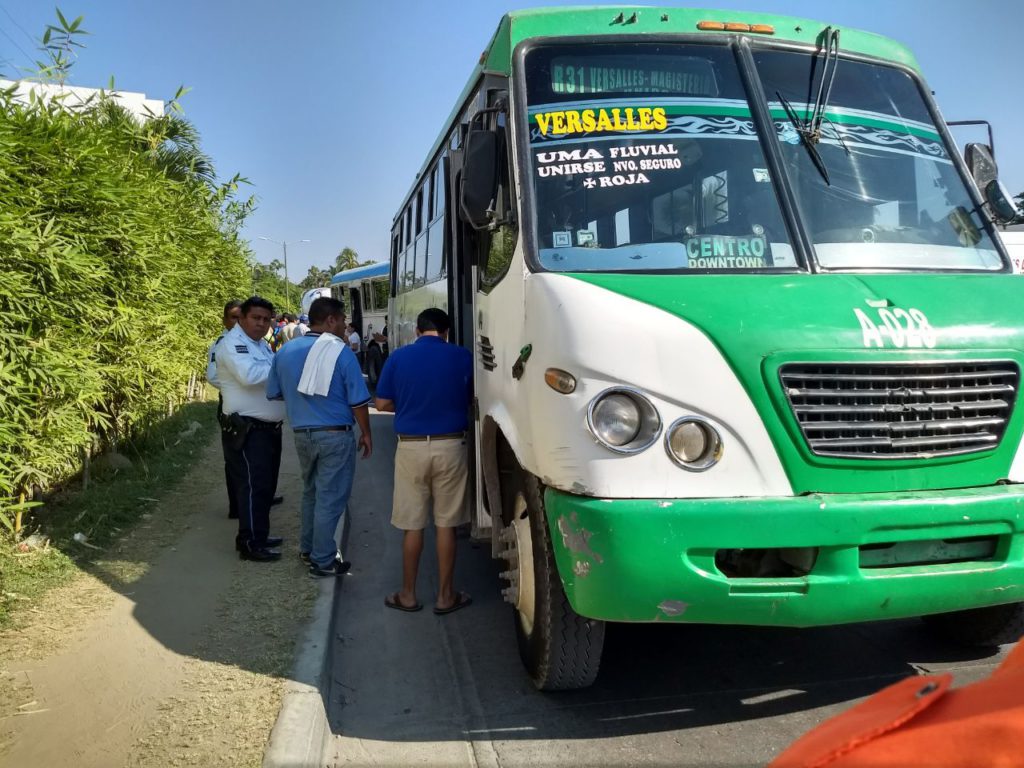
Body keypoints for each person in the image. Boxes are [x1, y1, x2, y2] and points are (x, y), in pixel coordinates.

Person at [375, 307, 473, 614]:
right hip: (452, 446)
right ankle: (445, 597)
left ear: (417, 331)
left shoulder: (398, 357)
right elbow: (473, 398)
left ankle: (408, 595)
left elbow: (382, 403)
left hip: (411, 448)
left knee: (413, 525)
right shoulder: (463, 356)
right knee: (446, 524)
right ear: (446, 332)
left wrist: (409, 408)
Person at [267, 297, 373, 577]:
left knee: (311, 492)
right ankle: (323, 560)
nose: (344, 326)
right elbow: (358, 401)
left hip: (302, 434)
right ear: (330, 320)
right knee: (331, 496)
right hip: (335, 435)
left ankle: (308, 549)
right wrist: (366, 433)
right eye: (342, 320)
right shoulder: (340, 351)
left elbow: (274, 393)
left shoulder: (285, 352)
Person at [216, 296, 287, 561]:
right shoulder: (232, 343)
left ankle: (259, 534)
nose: (261, 323)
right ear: (243, 318)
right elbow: (249, 376)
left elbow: (269, 373)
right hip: (249, 430)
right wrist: (282, 367)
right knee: (252, 486)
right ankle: (250, 543)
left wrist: (277, 367)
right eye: (256, 318)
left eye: (266, 319)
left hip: (268, 429)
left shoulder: (260, 345)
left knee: (265, 486)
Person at [206, 300, 242, 519]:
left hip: (249, 407)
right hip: (232, 406)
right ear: (224, 320)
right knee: (235, 456)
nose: (237, 322)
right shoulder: (222, 343)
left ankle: (257, 496)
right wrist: (239, 386)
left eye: (241, 317)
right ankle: (236, 505)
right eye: (233, 317)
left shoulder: (251, 341)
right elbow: (212, 376)